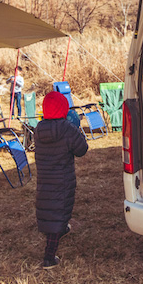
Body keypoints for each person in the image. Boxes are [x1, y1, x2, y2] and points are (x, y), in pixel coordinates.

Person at [34, 91, 88, 269]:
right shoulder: (67, 129)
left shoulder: (39, 129)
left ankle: (62, 228)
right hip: (63, 180)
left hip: (44, 180)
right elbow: (82, 149)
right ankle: (49, 258)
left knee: (50, 208)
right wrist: (76, 129)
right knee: (58, 211)